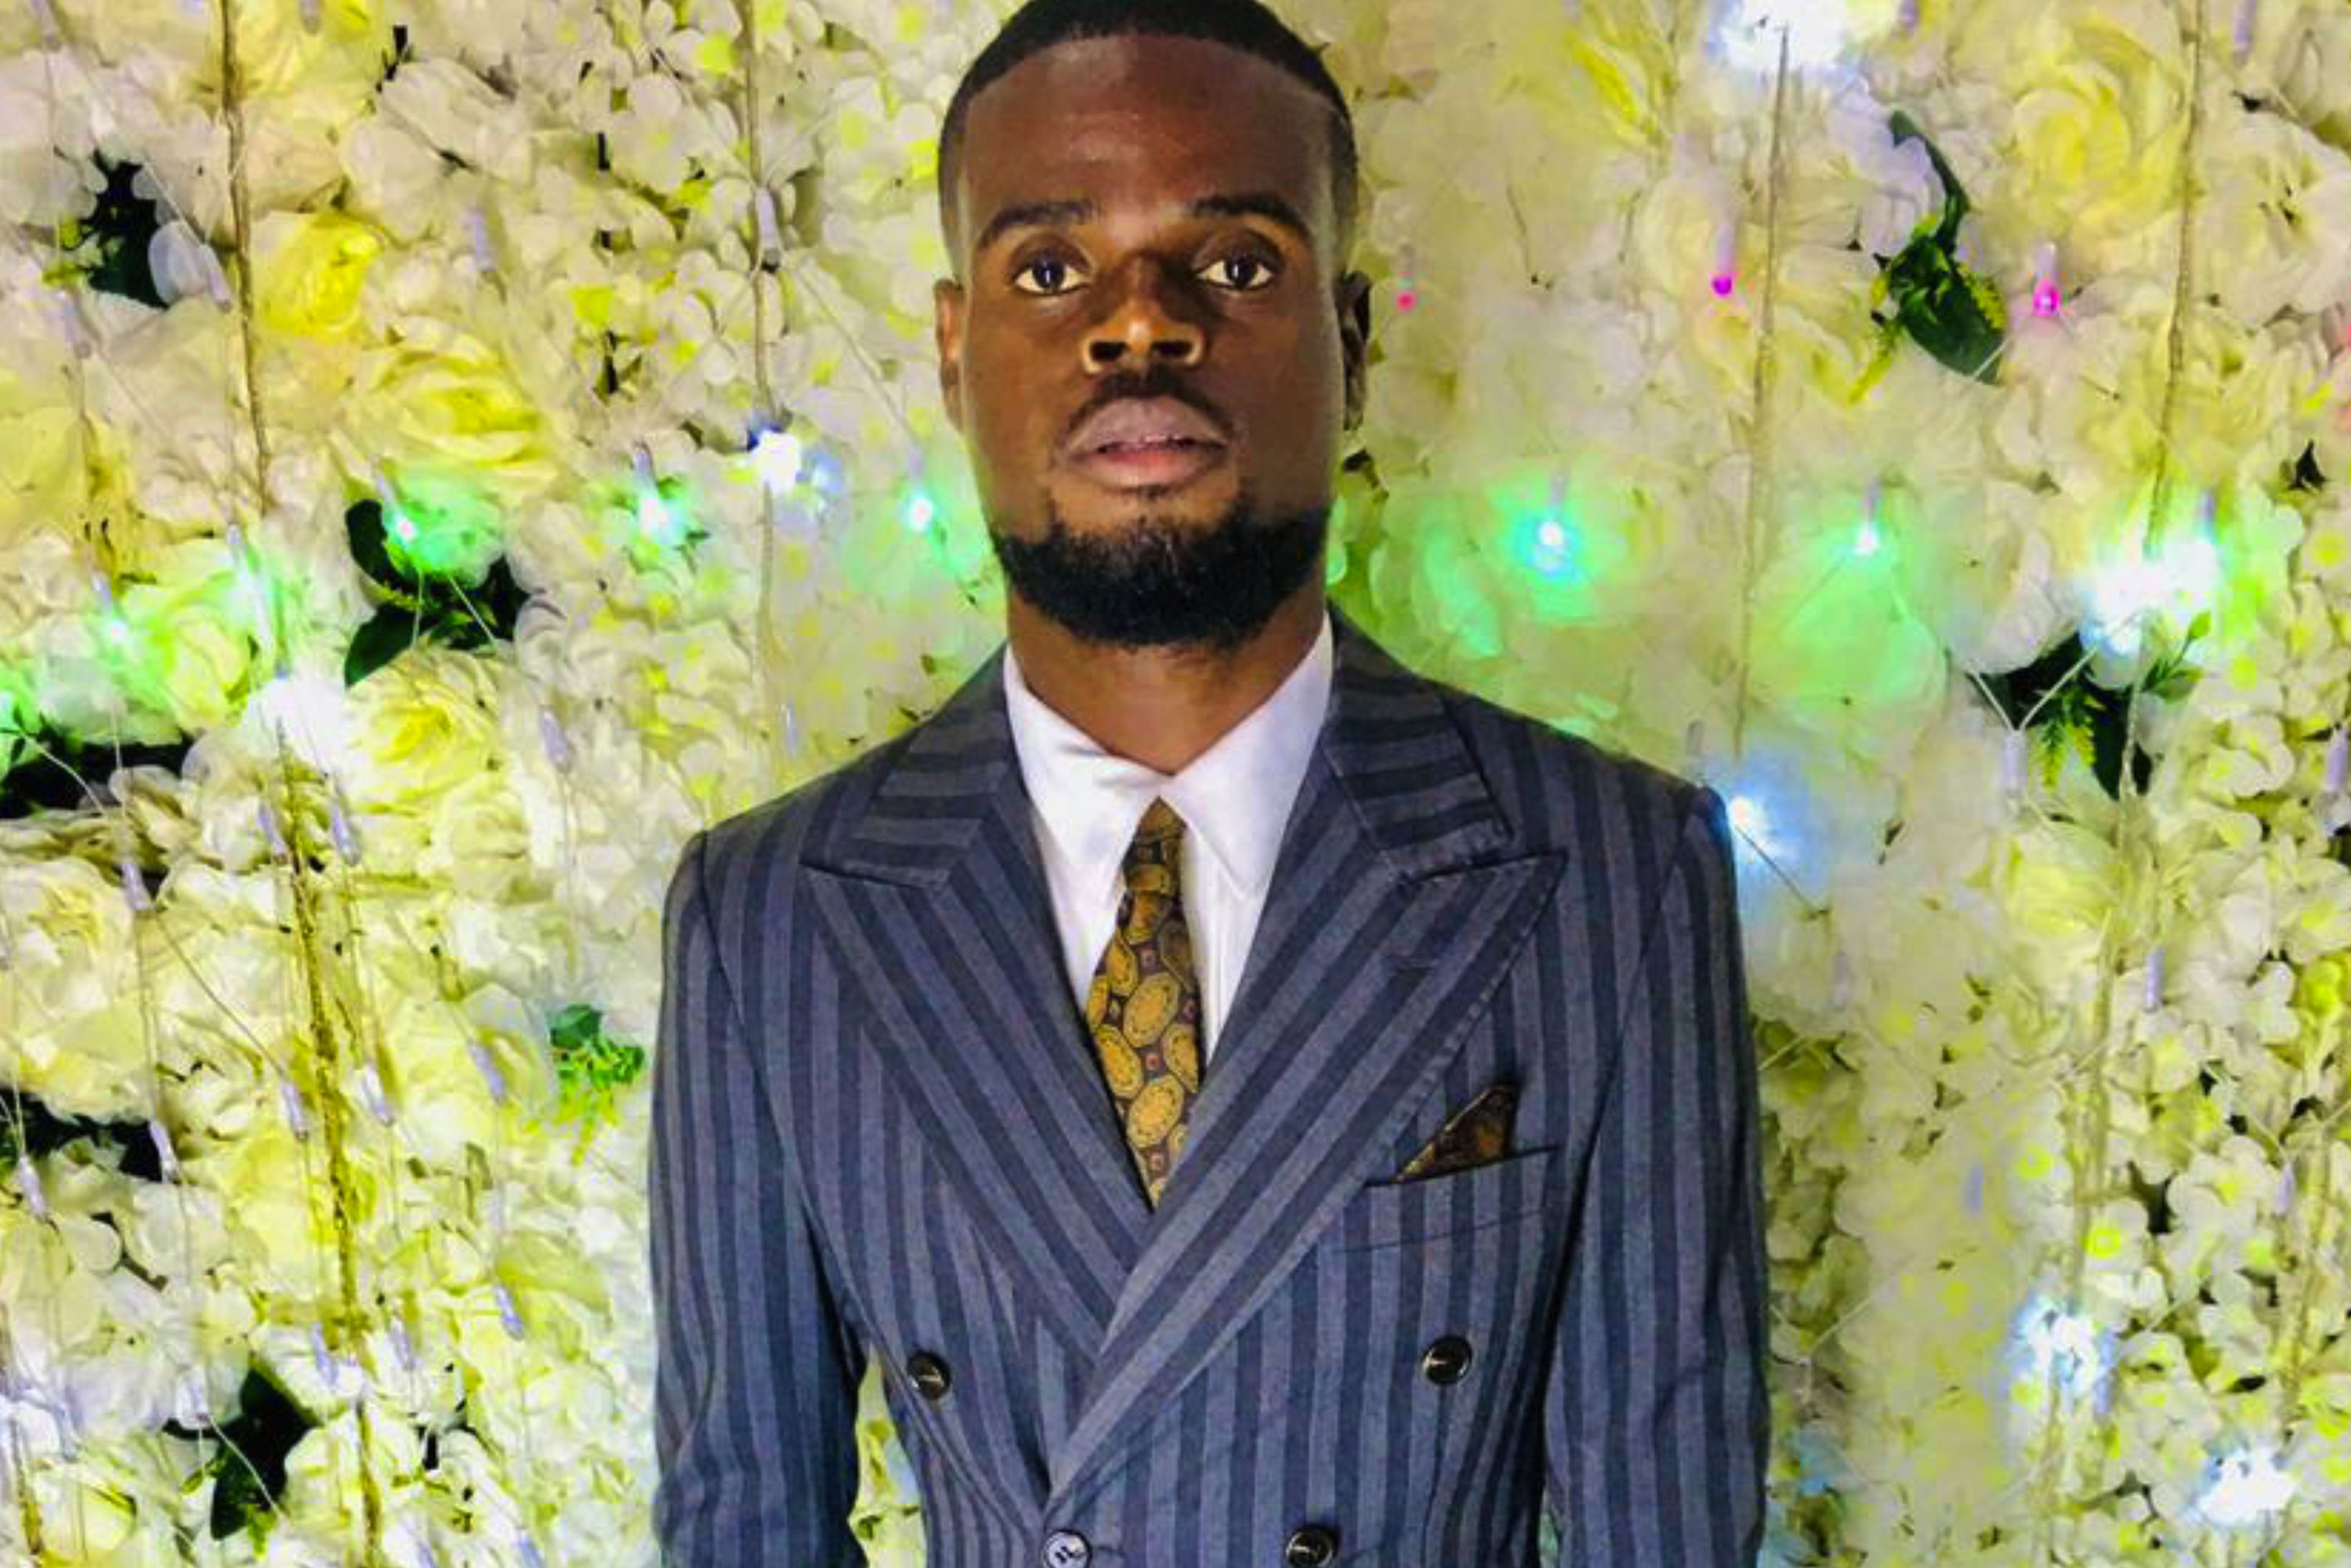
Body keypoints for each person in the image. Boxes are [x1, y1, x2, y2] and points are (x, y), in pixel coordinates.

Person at [649, 0, 1769, 1563]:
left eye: (1235, 263)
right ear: (957, 355)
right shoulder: (769, 920)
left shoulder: (1614, 876)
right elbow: (744, 1524)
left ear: (1353, 345)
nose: (1141, 325)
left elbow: (1670, 1527)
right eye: (1052, 269)